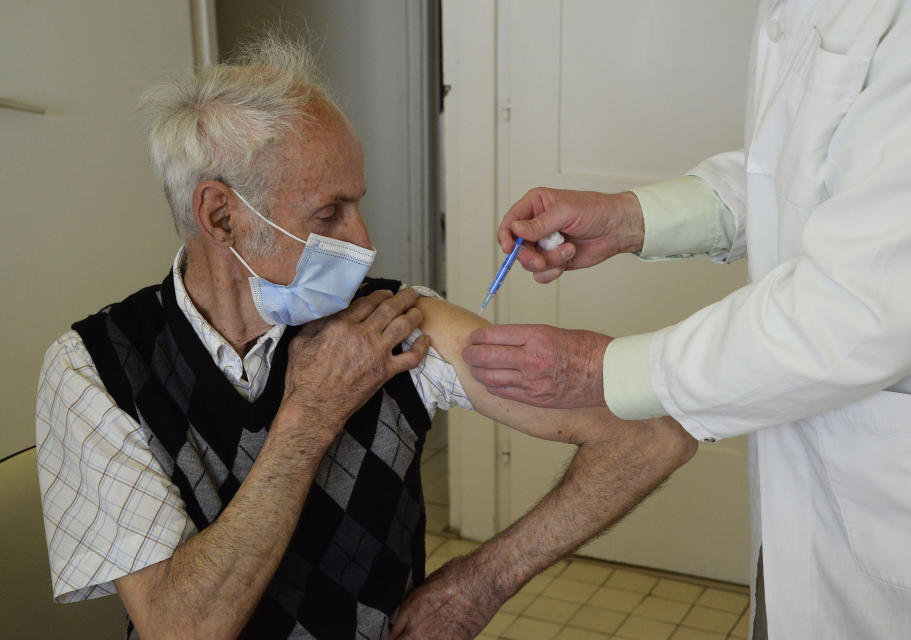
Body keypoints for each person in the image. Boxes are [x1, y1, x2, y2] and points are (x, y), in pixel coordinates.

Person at [35, 36, 696, 639]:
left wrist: (483, 581)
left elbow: (651, 434)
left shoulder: (396, 322)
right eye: (329, 212)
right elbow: (182, 629)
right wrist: (308, 416)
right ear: (221, 215)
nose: (364, 241)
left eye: (357, 203)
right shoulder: (93, 370)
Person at [463, 1, 911, 638]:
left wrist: (596, 369)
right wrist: (628, 216)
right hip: (814, 506)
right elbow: (796, 175)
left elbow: (858, 307)